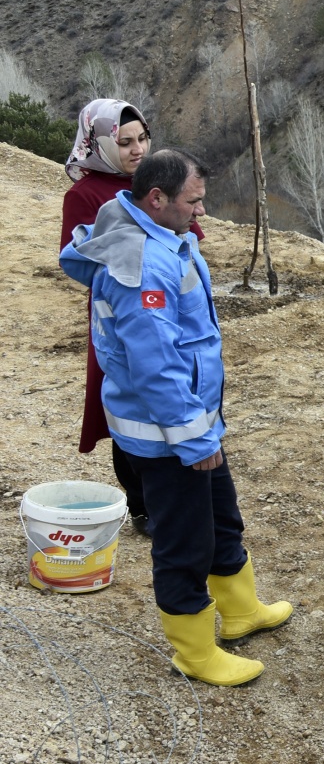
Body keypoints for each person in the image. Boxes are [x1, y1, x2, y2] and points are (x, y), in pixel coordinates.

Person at [60, 149, 291, 686]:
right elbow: (156, 367)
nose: (203, 213)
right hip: (168, 438)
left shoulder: (161, 237)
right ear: (157, 199)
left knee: (222, 521)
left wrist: (202, 427)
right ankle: (194, 651)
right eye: (195, 201)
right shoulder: (141, 265)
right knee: (184, 543)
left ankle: (239, 611)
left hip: (193, 424)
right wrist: (192, 438)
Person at [61, 99, 168, 537]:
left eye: (142, 138)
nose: (137, 149)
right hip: (118, 315)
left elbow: (190, 233)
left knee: (167, 391)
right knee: (126, 402)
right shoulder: (84, 195)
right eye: (124, 142)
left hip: (167, 311)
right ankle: (143, 506)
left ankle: (173, 493)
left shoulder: (156, 181)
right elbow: (77, 259)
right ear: (99, 143)